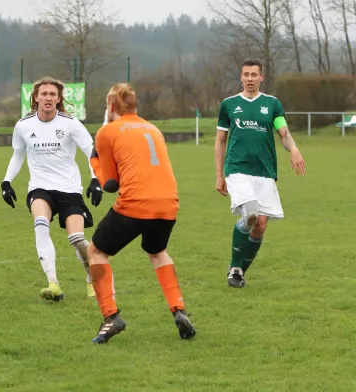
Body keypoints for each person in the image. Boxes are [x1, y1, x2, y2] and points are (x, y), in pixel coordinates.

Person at [87, 82, 196, 344]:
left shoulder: (107, 132)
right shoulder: (153, 128)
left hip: (136, 203)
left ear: (111, 106)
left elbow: (110, 183)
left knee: (96, 251)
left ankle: (110, 317)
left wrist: (95, 156)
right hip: (168, 202)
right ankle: (178, 310)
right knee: (157, 252)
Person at [0, 76, 103, 301]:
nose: (48, 98)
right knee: (40, 223)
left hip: (69, 188)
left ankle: (91, 279)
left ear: (58, 99)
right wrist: (6, 181)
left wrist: (96, 179)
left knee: (77, 238)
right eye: (44, 94)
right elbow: (18, 155)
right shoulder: (23, 126)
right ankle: (53, 284)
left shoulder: (70, 123)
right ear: (35, 98)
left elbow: (91, 151)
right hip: (40, 188)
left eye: (52, 94)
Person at [214, 59, 306, 288]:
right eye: (246, 74)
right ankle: (235, 267)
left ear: (261, 78)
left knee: (261, 224)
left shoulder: (272, 104)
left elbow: (283, 132)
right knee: (251, 214)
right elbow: (220, 140)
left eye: (254, 75)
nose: (250, 79)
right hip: (237, 169)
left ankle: (238, 272)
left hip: (264, 171)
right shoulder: (229, 104)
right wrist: (219, 174)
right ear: (240, 77)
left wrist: (293, 148)